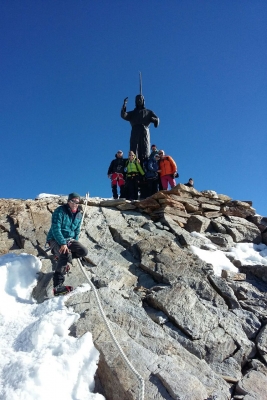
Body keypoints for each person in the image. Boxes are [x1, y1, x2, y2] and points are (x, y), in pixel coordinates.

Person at [46, 192, 88, 296]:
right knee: (65, 252)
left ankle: (60, 258)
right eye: (73, 201)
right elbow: (56, 228)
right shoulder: (60, 211)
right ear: (68, 201)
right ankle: (57, 286)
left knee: (83, 251)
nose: (75, 203)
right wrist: (62, 243)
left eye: (77, 202)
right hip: (55, 238)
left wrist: (75, 244)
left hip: (70, 239)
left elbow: (77, 231)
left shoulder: (78, 215)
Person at [121, 95, 159, 167]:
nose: (139, 100)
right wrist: (124, 105)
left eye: (140, 99)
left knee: (145, 148)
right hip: (135, 130)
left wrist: (155, 120)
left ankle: (145, 165)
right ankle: (134, 164)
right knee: (134, 147)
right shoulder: (132, 113)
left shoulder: (148, 112)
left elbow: (157, 120)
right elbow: (124, 115)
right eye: (137, 99)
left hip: (145, 131)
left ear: (143, 101)